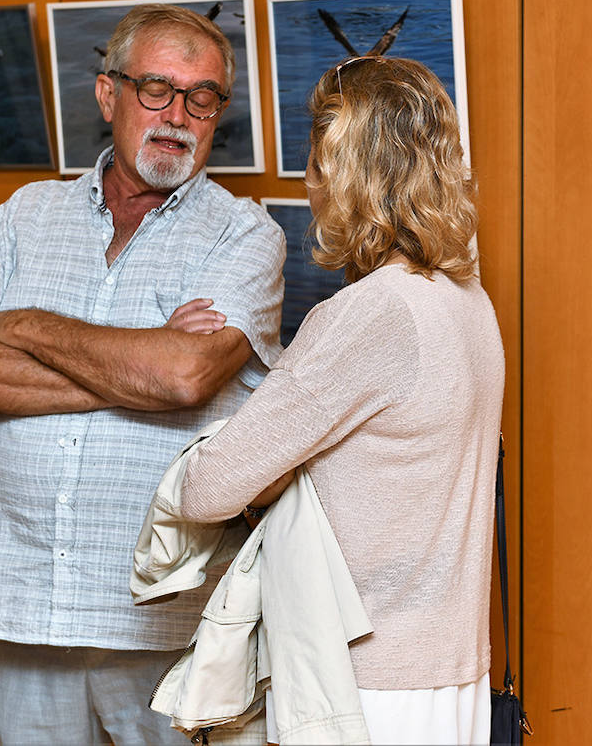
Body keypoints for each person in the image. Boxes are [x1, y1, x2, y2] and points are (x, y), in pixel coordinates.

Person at [0, 4, 286, 745]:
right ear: (107, 93)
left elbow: (185, 379)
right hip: (24, 617)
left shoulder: (245, 233)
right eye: (156, 87)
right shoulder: (26, 214)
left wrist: (26, 328)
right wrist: (139, 362)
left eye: (202, 96)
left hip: (169, 628)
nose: (178, 114)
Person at [178, 55, 504, 745]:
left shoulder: (369, 315)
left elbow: (207, 489)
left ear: (353, 173)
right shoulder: (469, 301)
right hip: (453, 679)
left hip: (362, 691)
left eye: (318, 159)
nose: (306, 178)